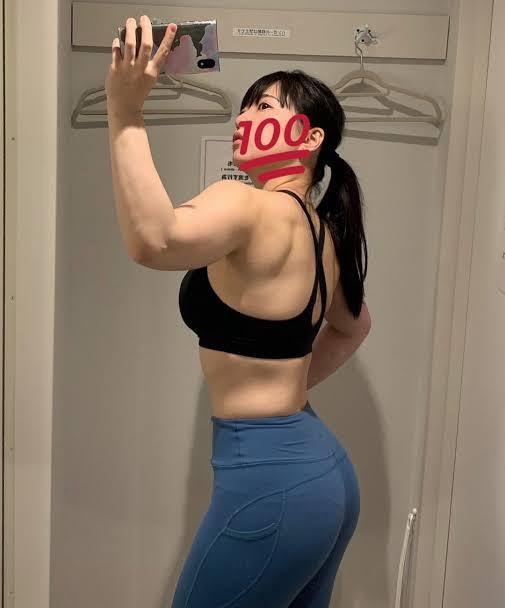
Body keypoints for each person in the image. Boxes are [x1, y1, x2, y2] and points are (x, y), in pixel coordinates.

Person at [106, 18, 370, 608]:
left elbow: (154, 239)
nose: (245, 118)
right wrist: (287, 386)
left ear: (310, 137)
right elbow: (355, 326)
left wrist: (125, 113)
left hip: (273, 482)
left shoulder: (247, 203)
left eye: (264, 107)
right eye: (245, 106)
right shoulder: (323, 232)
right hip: (321, 471)